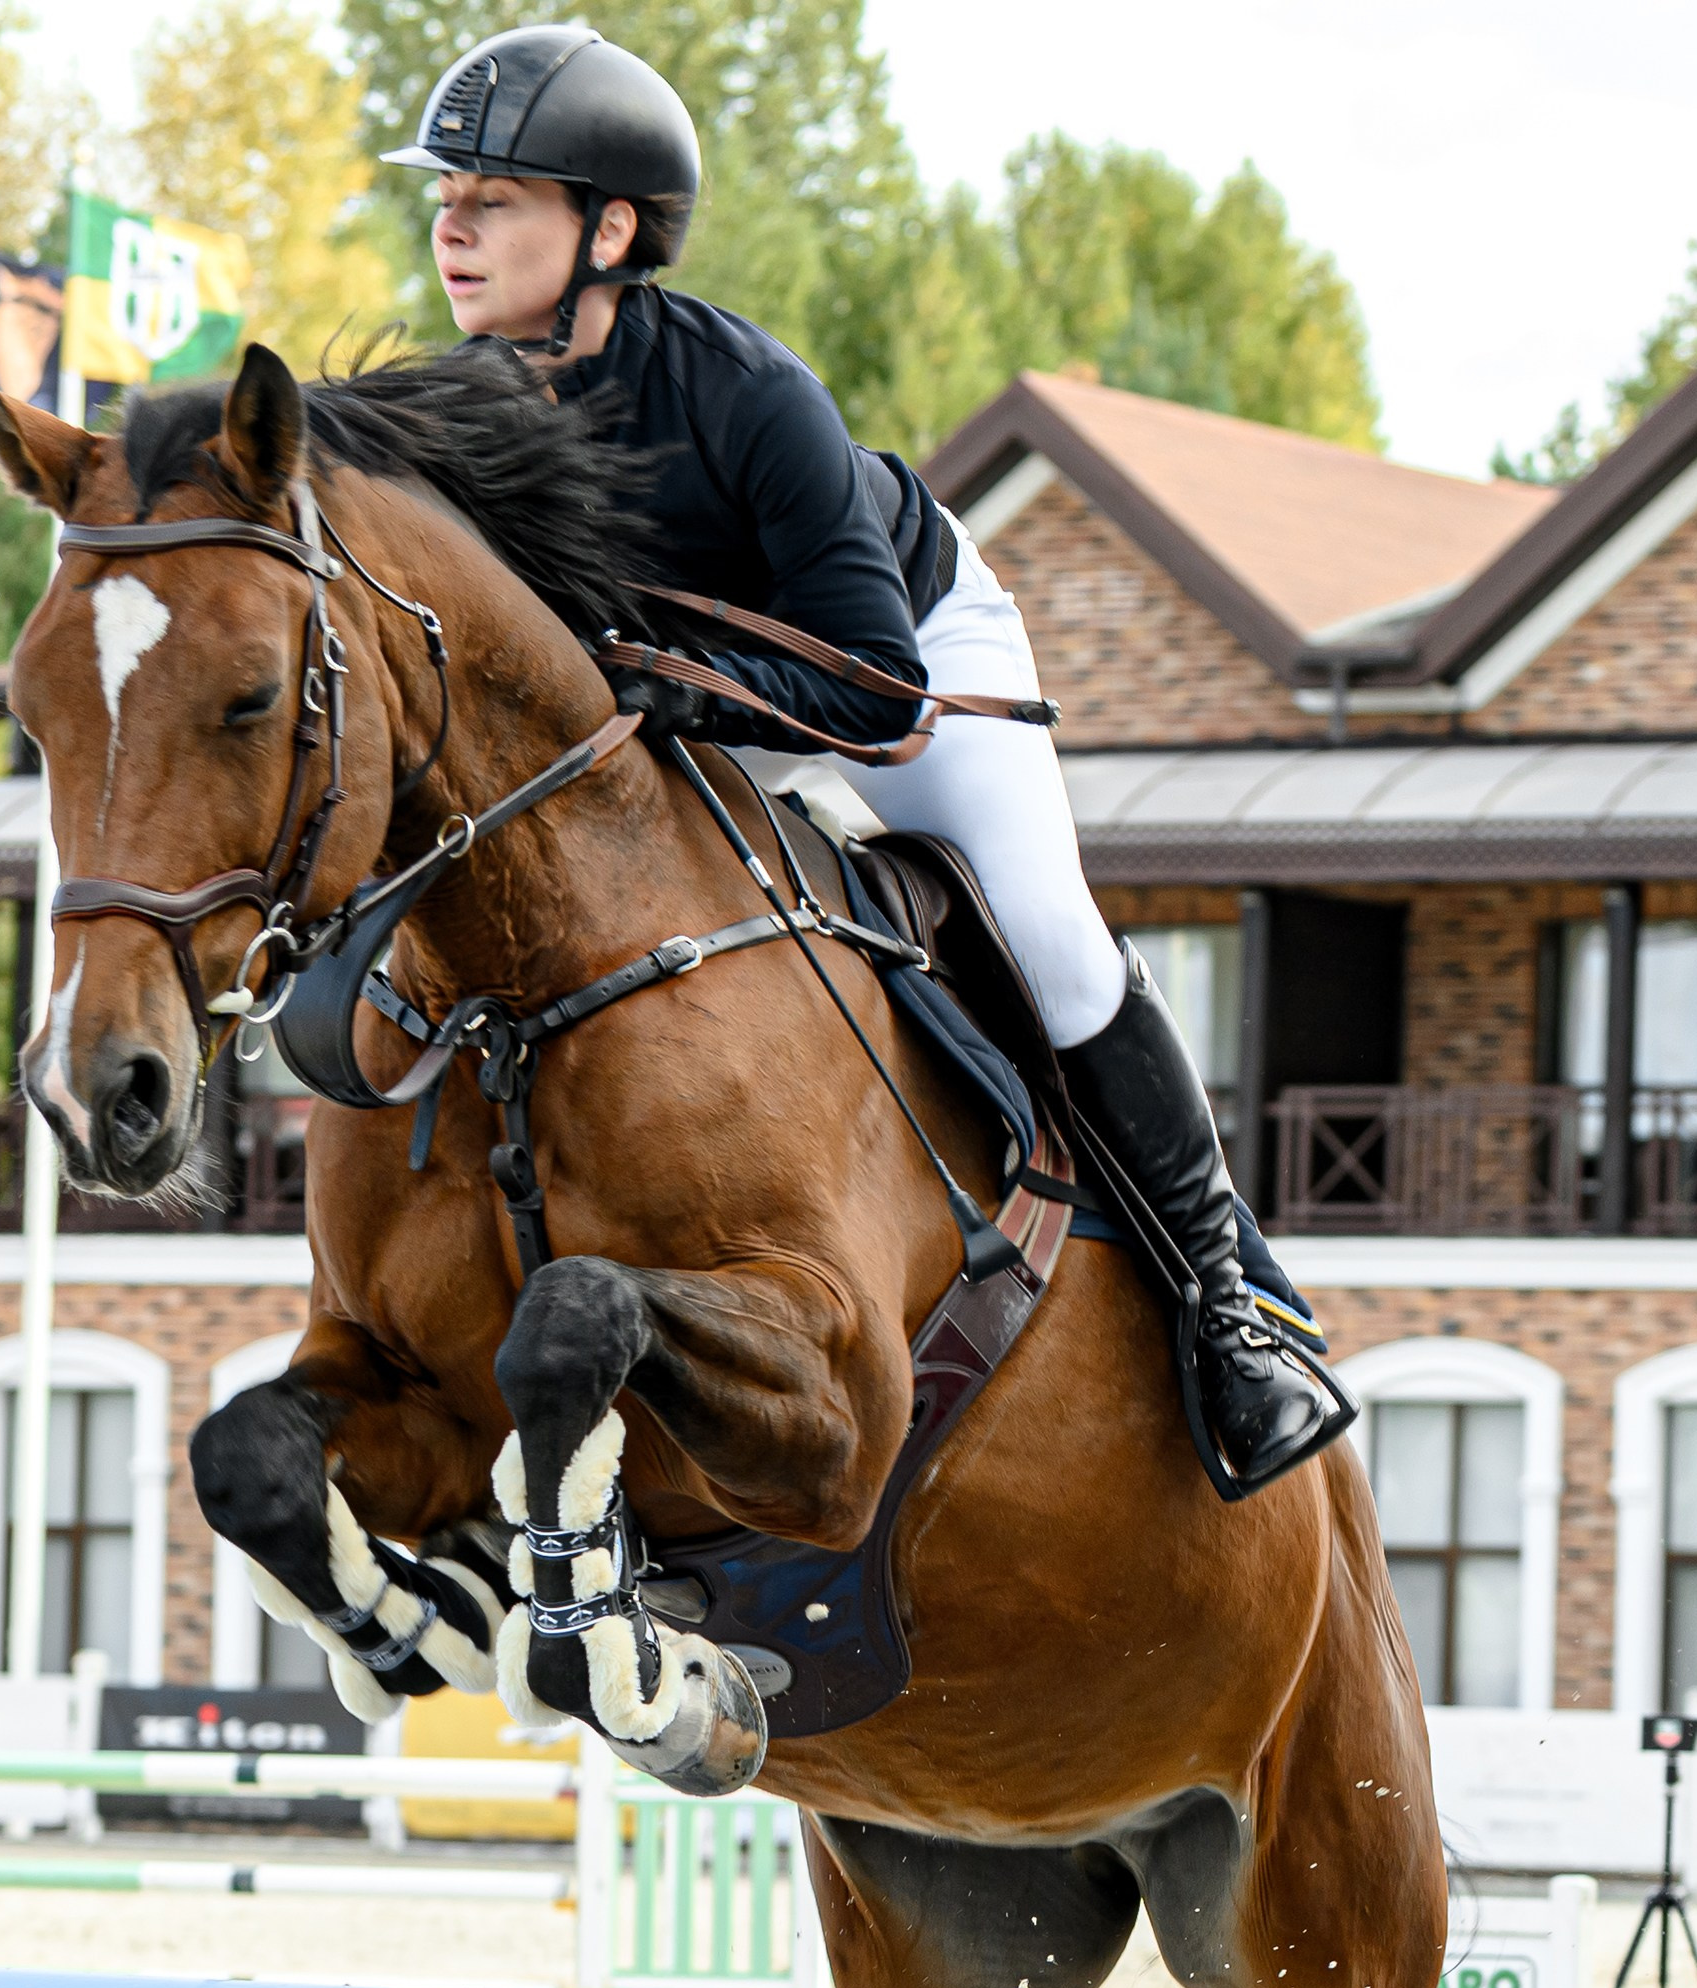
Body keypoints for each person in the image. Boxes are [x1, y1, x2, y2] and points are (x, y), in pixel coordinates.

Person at [383, 22, 1346, 1495]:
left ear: (609, 231)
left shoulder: (746, 393)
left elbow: (877, 691)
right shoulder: (456, 410)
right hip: (686, 706)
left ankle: (1233, 1310)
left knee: (1046, 938)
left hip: (905, 657)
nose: (451, 227)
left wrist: (670, 690)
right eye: (445, 196)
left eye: (493, 199)